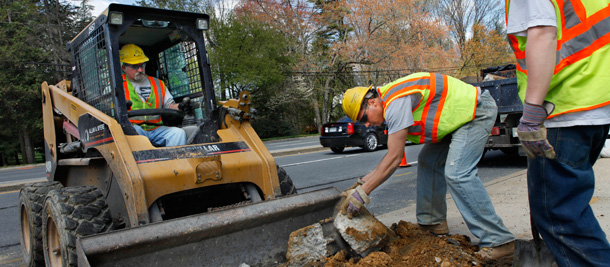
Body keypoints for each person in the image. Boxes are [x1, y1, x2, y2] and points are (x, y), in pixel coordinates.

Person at [339, 73, 515, 260]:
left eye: (364, 118)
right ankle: (432, 223)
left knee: (458, 173)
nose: (367, 125)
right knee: (428, 160)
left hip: (476, 112)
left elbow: (394, 157)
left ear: (372, 103)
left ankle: (499, 241)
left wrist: (363, 193)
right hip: (457, 121)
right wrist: (361, 184)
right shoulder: (390, 99)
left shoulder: (395, 102)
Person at [505, 1, 610, 265]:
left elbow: (542, 33)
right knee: (567, 206)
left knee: (559, 214)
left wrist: (531, 112)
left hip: (564, 107)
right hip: (594, 102)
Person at [119, 44, 187, 147]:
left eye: (142, 65)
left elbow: (169, 105)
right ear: (124, 67)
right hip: (134, 128)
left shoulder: (158, 83)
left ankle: (173, 162)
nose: (140, 70)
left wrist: (181, 106)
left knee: (178, 133)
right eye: (135, 66)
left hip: (156, 129)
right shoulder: (117, 84)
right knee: (133, 131)